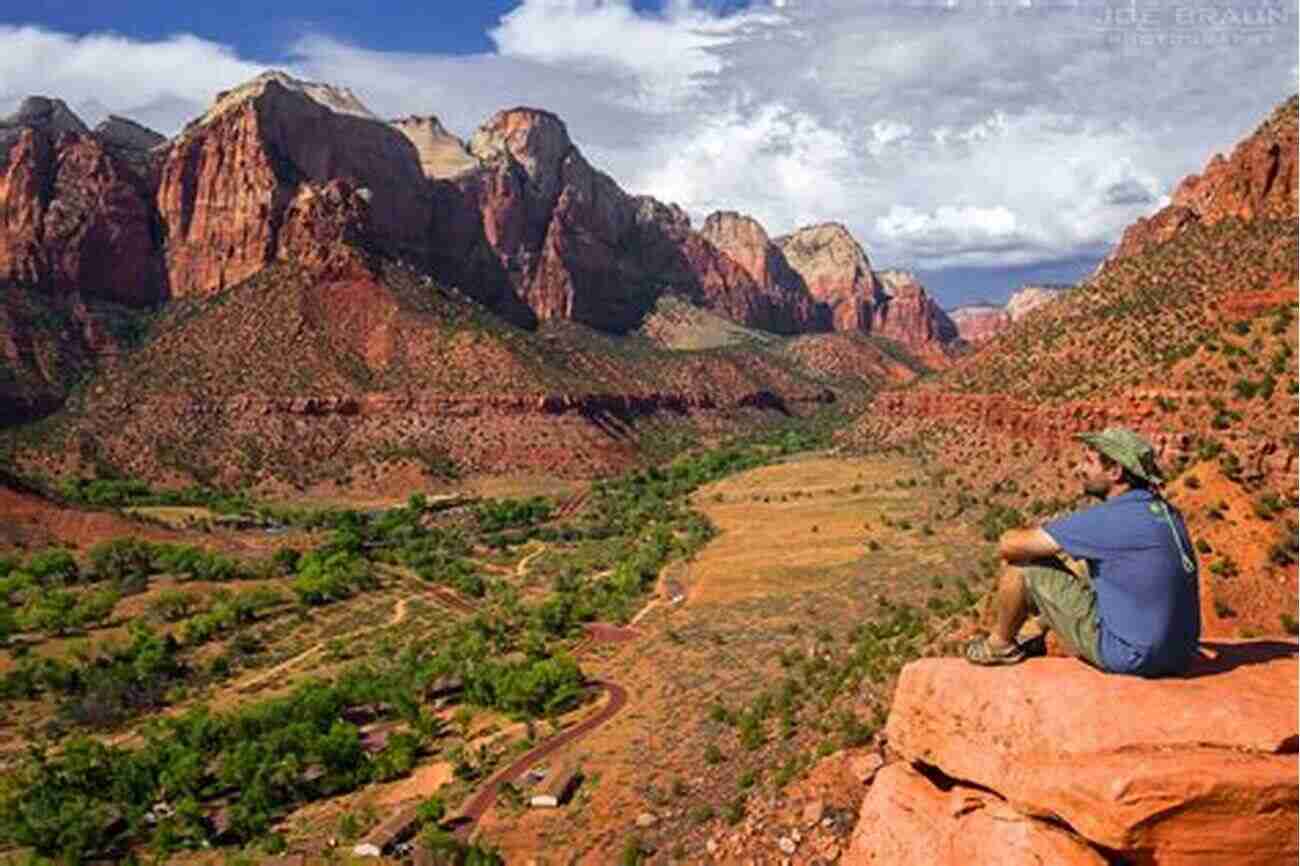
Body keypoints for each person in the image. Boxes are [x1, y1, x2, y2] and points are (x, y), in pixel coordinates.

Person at [964, 427, 1201, 676]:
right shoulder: (1164, 510)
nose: (1080, 469)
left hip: (1131, 656)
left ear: (1115, 472)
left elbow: (1010, 546)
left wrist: (1009, 535)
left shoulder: (1112, 518)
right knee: (1084, 568)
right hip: (1181, 655)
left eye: (1089, 461)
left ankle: (999, 646)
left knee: (1024, 567)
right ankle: (1033, 633)